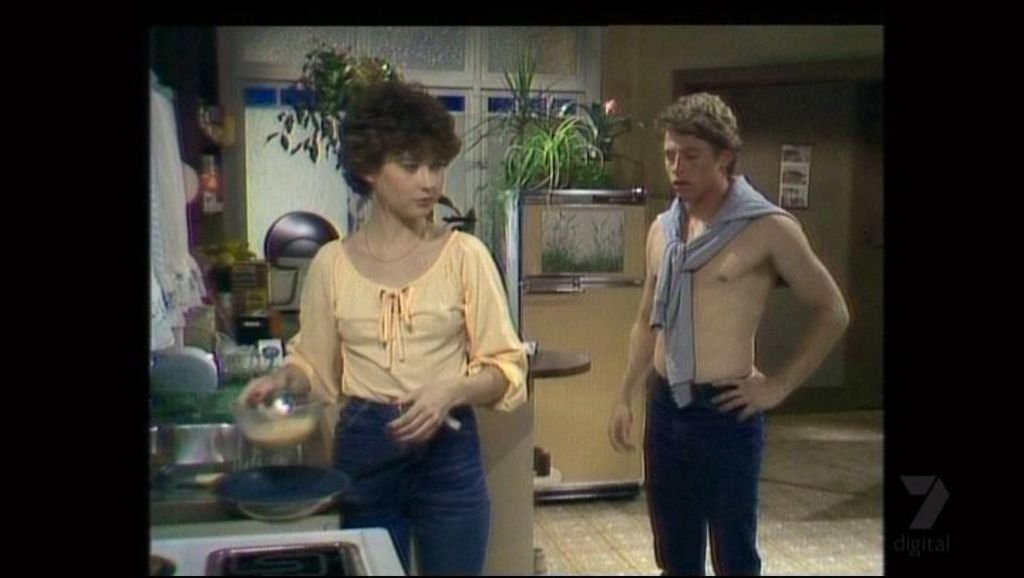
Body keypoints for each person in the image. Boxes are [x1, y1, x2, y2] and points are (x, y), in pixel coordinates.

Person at [240, 80, 527, 576]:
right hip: (366, 449)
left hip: (448, 449)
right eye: (411, 166)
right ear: (370, 168)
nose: (429, 182)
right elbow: (314, 365)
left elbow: (506, 368)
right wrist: (284, 380)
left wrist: (452, 389)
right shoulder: (331, 263)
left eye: (437, 165)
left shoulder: (465, 256)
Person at [607, 93, 850, 575]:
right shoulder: (664, 230)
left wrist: (777, 386)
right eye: (670, 155)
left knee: (734, 557)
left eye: (691, 156)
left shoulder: (767, 228)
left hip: (725, 412)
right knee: (675, 555)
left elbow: (833, 311)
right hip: (667, 405)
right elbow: (646, 319)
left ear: (725, 156)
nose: (677, 168)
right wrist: (624, 395)